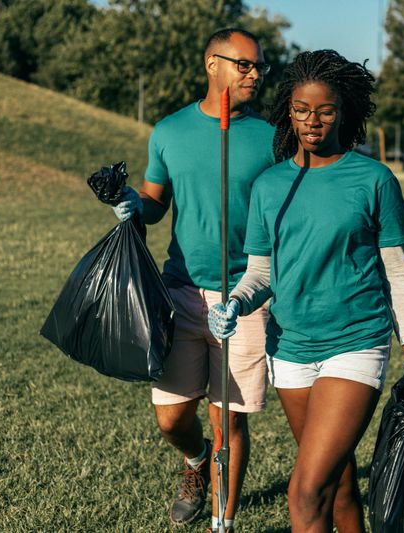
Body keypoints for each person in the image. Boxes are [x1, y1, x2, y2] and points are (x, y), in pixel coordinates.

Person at [208, 49, 404, 532]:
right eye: (302, 110)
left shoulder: (374, 179)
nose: (312, 121)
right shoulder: (269, 186)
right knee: (337, 481)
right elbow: (261, 273)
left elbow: (398, 272)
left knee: (305, 492)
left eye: (325, 111)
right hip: (289, 349)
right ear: (288, 111)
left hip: (356, 342)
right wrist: (235, 303)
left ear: (343, 112)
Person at [109, 28, 275, 530]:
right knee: (171, 417)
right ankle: (196, 459)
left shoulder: (272, 137)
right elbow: (155, 202)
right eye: (245, 65)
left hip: (244, 296)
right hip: (180, 290)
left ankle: (222, 521)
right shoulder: (169, 132)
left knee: (229, 420)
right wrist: (134, 205)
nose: (255, 74)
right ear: (212, 64)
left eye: (260, 66)